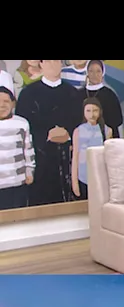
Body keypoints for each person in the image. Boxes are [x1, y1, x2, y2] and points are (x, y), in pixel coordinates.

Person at [15, 60, 84, 206]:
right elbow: (22, 127)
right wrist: (47, 135)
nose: (53, 64)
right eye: (48, 60)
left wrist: (68, 134)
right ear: (41, 64)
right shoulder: (28, 94)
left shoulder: (73, 93)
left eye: (56, 61)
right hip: (40, 161)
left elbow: (81, 122)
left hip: (67, 160)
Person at [0, 86, 35, 210]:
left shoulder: (22, 123)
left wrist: (29, 171)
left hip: (17, 182)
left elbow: (28, 150)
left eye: (6, 101)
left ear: (13, 103)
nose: (2, 105)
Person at [71, 97, 112, 200]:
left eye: (95, 110)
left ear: (100, 112)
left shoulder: (107, 131)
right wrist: (74, 182)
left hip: (100, 175)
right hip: (83, 177)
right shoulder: (78, 131)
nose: (92, 114)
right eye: (88, 111)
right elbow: (75, 157)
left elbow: (109, 157)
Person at [78, 60, 123, 138]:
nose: (95, 74)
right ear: (87, 73)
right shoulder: (79, 94)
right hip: (83, 138)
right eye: (91, 71)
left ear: (103, 73)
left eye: (98, 71)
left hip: (106, 137)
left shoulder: (110, 95)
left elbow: (117, 120)